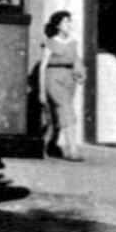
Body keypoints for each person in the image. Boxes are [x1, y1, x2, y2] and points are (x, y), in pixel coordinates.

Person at [38, 10, 86, 160]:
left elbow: (77, 62)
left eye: (70, 21)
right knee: (66, 110)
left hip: (69, 81)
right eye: (66, 21)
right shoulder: (50, 43)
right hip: (53, 79)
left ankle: (48, 146)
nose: (69, 24)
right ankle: (72, 149)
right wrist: (41, 91)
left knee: (56, 116)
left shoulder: (72, 43)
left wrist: (80, 74)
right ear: (58, 25)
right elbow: (43, 67)